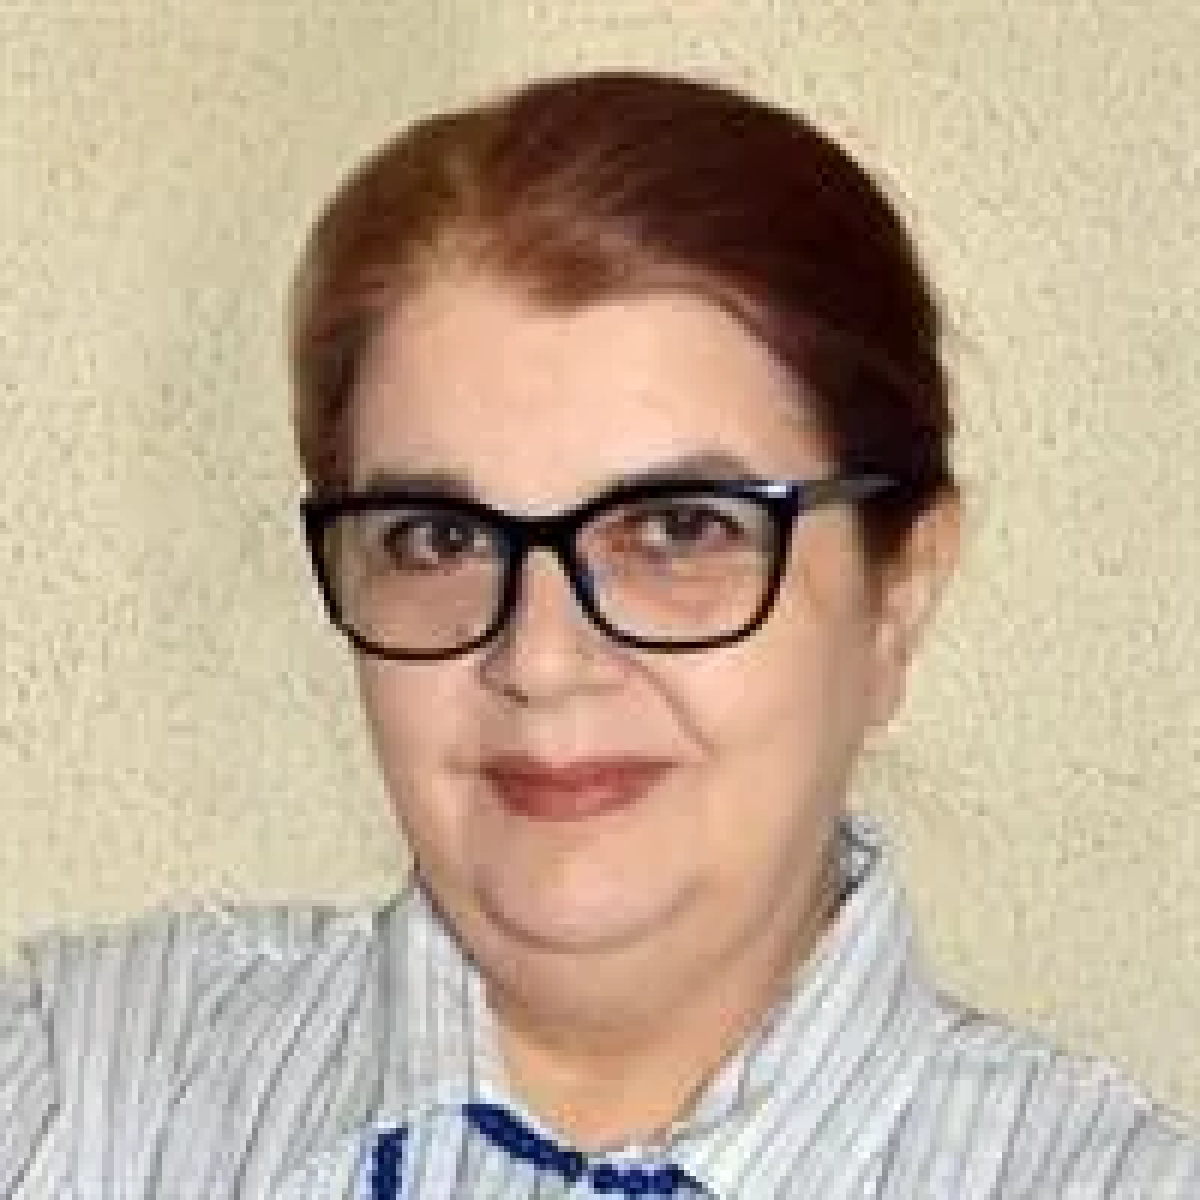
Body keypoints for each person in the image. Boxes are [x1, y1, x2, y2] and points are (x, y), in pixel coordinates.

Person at [1, 69, 1196, 1200]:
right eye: (439, 539)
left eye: (678, 529)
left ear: (899, 593)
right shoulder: (80, 1098)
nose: (540, 660)